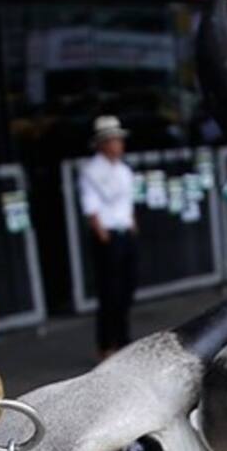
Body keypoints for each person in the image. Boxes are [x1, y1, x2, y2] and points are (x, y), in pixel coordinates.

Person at [79, 115, 138, 358]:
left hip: (124, 230)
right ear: (103, 144)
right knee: (109, 291)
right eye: (113, 141)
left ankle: (123, 340)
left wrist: (132, 224)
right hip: (108, 235)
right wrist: (101, 232)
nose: (118, 145)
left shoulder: (124, 170)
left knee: (126, 288)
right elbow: (91, 205)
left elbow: (127, 201)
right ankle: (106, 345)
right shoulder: (92, 171)